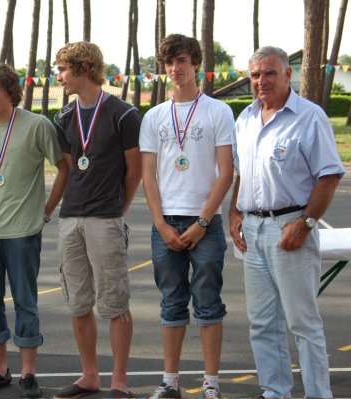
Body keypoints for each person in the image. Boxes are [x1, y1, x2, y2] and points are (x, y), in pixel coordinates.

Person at [229, 46, 345, 399]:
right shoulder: (245, 119)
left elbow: (329, 176)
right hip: (253, 229)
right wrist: (234, 213)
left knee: (302, 323)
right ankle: (274, 392)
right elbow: (240, 174)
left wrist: (306, 223)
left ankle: (317, 394)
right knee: (263, 323)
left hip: (291, 226)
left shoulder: (309, 117)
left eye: (269, 73)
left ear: (287, 75)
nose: (261, 81)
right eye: (254, 75)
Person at [0, 64, 68, 398]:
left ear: (11, 91)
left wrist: (46, 212)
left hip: (23, 231)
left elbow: (63, 169)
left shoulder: (37, 125)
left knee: (26, 302)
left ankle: (28, 374)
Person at [139, 34, 234, 399]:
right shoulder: (155, 116)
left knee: (208, 303)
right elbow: (148, 175)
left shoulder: (218, 111)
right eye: (169, 63)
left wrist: (203, 222)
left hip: (204, 224)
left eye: (182, 61)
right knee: (171, 303)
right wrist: (161, 223)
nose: (175, 69)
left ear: (196, 64)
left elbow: (226, 172)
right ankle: (170, 381)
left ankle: (211, 384)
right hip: (166, 224)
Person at [53, 41, 142, 398]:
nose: (58, 76)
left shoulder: (123, 113)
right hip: (71, 218)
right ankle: (89, 375)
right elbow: (72, 166)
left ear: (83, 68)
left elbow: (133, 170)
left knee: (115, 302)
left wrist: (117, 210)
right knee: (78, 302)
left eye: (62, 69)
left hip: (106, 218)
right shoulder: (62, 117)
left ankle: (118, 381)